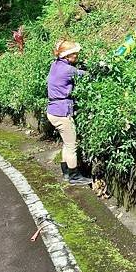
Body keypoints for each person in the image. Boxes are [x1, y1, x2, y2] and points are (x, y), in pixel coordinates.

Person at [47, 39, 92, 186]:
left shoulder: (55, 65)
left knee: (66, 144)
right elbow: (86, 75)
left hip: (53, 111)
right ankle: (74, 176)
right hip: (61, 112)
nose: (77, 57)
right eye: (75, 55)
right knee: (72, 145)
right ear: (67, 56)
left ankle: (66, 172)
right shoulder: (68, 70)